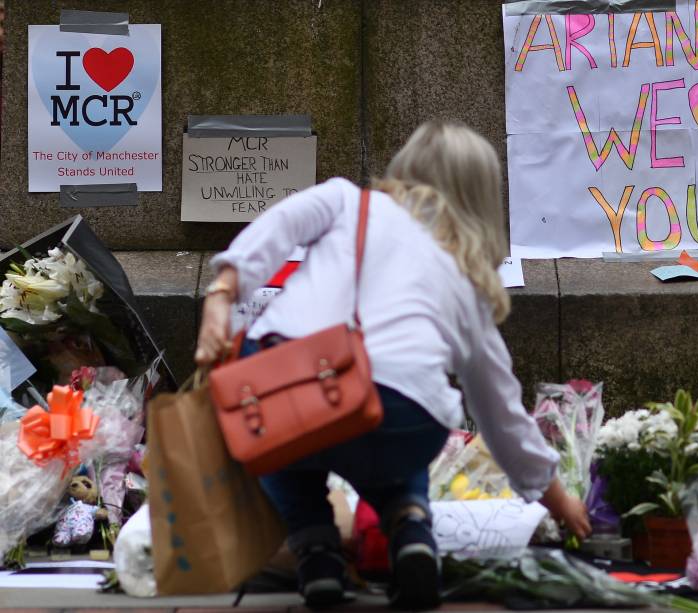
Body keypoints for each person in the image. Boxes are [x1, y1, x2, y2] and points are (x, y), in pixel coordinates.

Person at [195, 122, 591, 610]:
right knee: (397, 416)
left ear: (404, 166)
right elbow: (501, 414)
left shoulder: (346, 202)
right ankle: (410, 529)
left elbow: (276, 228)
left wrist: (222, 295)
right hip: (402, 421)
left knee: (281, 441)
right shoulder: (465, 281)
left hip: (291, 396)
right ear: (482, 200)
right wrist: (560, 502)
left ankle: (317, 554)